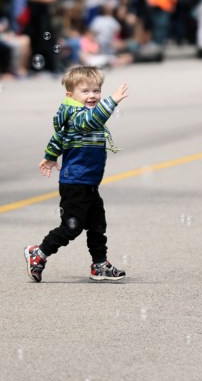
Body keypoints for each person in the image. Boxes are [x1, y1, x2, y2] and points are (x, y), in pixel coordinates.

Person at [24, 66, 130, 282]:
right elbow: (89, 122)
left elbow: (59, 138)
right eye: (86, 91)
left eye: (96, 90)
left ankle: (99, 265)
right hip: (75, 182)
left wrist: (51, 156)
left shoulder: (82, 114)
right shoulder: (77, 115)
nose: (92, 96)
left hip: (90, 182)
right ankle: (38, 253)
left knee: (98, 225)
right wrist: (112, 101)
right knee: (72, 227)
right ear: (70, 95)